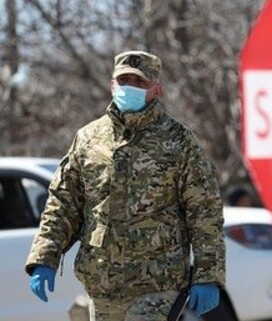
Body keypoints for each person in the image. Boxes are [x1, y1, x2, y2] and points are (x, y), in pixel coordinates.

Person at [25, 50, 225, 320]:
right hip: (101, 281)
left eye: (139, 82)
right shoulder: (88, 139)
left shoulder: (179, 142)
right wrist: (44, 257)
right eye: (123, 80)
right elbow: (63, 203)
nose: (129, 87)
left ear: (157, 90)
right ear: (112, 85)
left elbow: (205, 210)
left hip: (156, 282)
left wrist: (208, 274)